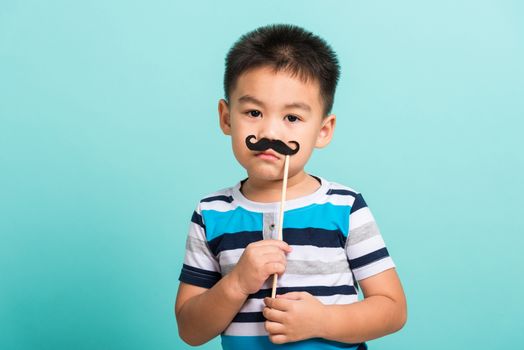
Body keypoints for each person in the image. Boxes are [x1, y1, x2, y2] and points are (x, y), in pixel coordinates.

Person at [175, 23, 407, 350]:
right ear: (226, 118)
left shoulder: (345, 207)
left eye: (292, 118)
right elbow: (190, 330)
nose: (270, 131)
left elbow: (392, 309)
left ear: (324, 130)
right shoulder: (211, 214)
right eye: (253, 111)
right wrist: (237, 283)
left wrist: (323, 320)